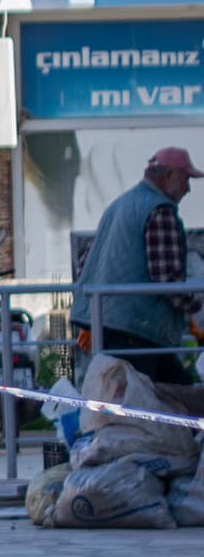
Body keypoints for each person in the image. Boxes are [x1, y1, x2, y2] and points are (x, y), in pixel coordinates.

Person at [72, 147, 203, 385]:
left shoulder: (120, 205)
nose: (188, 189)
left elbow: (86, 263)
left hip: (110, 324)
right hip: (137, 329)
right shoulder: (160, 210)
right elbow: (167, 280)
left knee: (169, 394)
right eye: (186, 179)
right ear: (169, 176)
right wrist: (198, 306)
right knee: (157, 401)